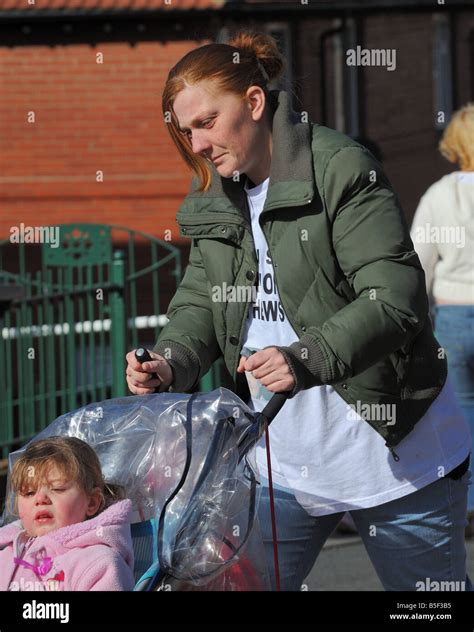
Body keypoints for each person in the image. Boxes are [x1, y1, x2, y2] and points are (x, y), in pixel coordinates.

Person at [126, 31, 472, 591]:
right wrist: (170, 359)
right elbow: (201, 299)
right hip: (278, 464)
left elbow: (396, 293)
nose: (197, 143)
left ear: (255, 103)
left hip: (395, 457)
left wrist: (305, 357)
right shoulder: (216, 197)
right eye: (185, 130)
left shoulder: (339, 167)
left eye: (207, 122)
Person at [410, 103, 474, 537]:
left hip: (453, 314)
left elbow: (418, 263)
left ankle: (469, 504)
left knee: (464, 412)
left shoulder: (439, 194)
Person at [0, 436, 135, 591]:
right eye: (29, 492)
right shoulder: (5, 559)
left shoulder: (99, 562)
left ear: (91, 502)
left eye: (57, 489)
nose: (40, 499)